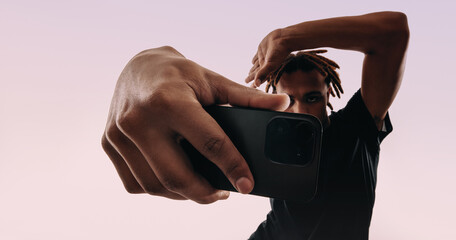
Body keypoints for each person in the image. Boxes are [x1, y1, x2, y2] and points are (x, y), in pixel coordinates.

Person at [101, 11, 409, 239]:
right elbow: (178, 120)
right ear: (271, 101)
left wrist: (288, 38)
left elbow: (393, 34)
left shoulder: (356, 129)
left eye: (312, 97)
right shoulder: (260, 138)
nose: (300, 109)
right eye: (288, 99)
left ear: (330, 94)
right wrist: (142, 71)